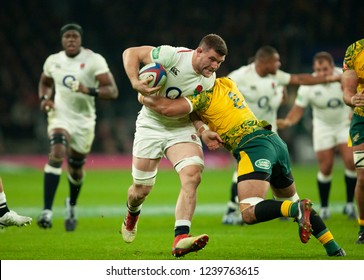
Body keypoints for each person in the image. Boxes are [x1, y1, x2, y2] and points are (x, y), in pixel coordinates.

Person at [138, 77, 346, 257]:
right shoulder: (227, 83)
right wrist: (202, 128)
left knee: (248, 212)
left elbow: (166, 108)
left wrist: (142, 95)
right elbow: (197, 112)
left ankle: (297, 210)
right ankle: (333, 246)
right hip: (274, 141)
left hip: (252, 146)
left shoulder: (199, 98)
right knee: (290, 199)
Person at [121, 34, 228, 257]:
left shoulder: (208, 80)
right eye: (211, 59)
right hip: (150, 125)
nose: (214, 66)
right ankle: (132, 214)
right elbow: (131, 52)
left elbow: (195, 109)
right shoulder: (171, 55)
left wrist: (203, 131)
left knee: (193, 174)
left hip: (181, 128)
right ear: (198, 51)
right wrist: (134, 82)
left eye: (219, 62)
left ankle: (181, 236)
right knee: (141, 190)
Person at [222, 46, 342, 225]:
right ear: (265, 62)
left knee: (278, 172)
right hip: (248, 135)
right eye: (276, 61)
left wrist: (328, 78)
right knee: (243, 171)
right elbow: (220, 93)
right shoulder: (239, 76)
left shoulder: (275, 77)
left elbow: (298, 79)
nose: (279, 64)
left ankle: (285, 208)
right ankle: (233, 210)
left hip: (271, 135)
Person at [37, 23, 119, 231]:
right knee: (56, 152)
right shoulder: (53, 61)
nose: (71, 40)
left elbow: (112, 91)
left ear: (80, 40)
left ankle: (71, 205)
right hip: (60, 116)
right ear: (62, 40)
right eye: (67, 37)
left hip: (84, 121)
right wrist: (45, 99)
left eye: (74, 36)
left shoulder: (94, 60)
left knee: (76, 167)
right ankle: (46, 211)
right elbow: (45, 83)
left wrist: (88, 89)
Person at [277, 51, 357, 220]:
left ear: (332, 67)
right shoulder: (308, 84)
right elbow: (298, 108)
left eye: (325, 69)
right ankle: (326, 207)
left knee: (351, 162)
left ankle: (350, 204)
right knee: (326, 166)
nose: (322, 73)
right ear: (314, 69)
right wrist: (288, 122)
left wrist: (353, 111)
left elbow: (354, 95)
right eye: (318, 70)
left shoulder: (344, 77)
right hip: (323, 127)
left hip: (344, 125)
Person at [342, 38, 364, 244]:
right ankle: (363, 226)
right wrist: (352, 99)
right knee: (363, 177)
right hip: (362, 120)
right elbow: (347, 90)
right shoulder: (355, 49)